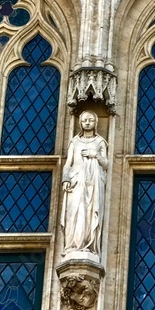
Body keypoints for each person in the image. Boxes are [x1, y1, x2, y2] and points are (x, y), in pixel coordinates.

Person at [62, 110, 108, 257]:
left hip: (94, 182)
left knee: (90, 212)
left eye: (91, 120)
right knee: (75, 211)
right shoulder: (74, 142)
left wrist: (95, 155)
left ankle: (89, 245)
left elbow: (106, 164)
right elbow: (68, 163)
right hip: (76, 181)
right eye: (84, 120)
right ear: (80, 123)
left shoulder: (100, 142)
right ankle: (74, 245)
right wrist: (65, 179)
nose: (87, 122)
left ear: (96, 123)